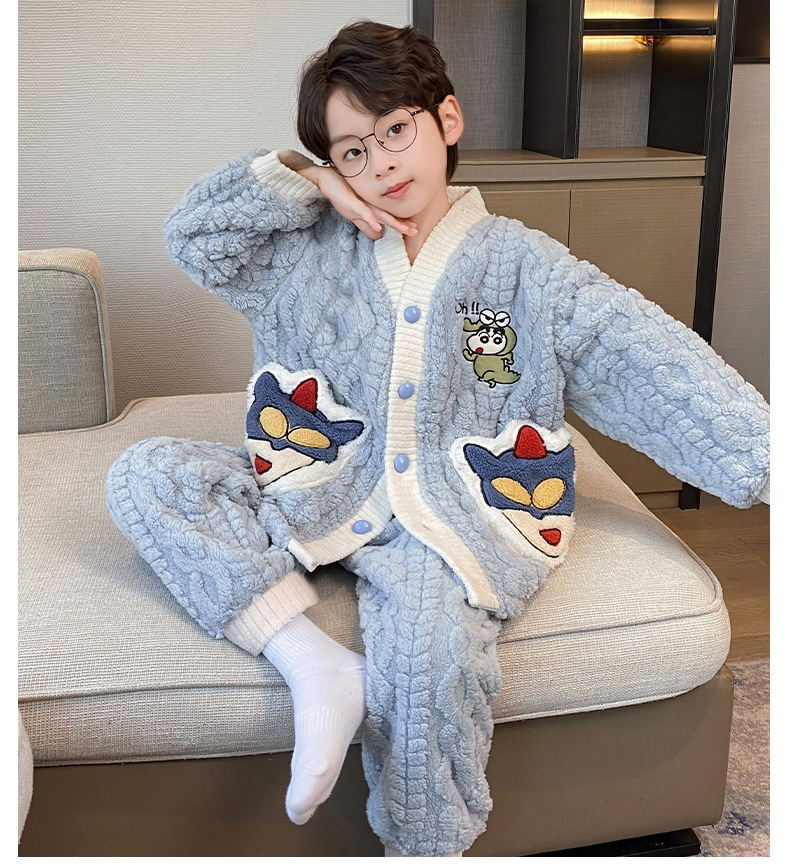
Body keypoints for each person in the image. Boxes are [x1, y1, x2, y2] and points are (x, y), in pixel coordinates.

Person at [105, 19, 770, 857]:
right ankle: (312, 662)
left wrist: (766, 459)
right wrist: (305, 180)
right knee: (146, 475)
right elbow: (195, 236)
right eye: (352, 151)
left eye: (395, 130)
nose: (381, 163)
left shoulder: (528, 269)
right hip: (314, 486)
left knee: (426, 667)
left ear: (446, 119)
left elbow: (647, 359)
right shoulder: (302, 254)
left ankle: (426, 846)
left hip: (449, 518)